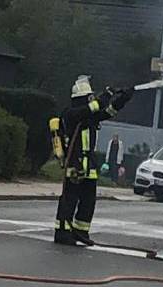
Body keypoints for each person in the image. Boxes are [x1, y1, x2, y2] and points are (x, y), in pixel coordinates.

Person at [53, 76, 134, 246]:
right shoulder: (71, 114)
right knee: (70, 200)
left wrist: (123, 99)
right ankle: (62, 231)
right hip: (74, 166)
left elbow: (108, 111)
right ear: (81, 99)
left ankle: (80, 231)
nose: (91, 99)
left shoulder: (89, 117)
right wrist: (107, 94)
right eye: (88, 97)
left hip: (89, 167)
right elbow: (95, 106)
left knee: (88, 201)